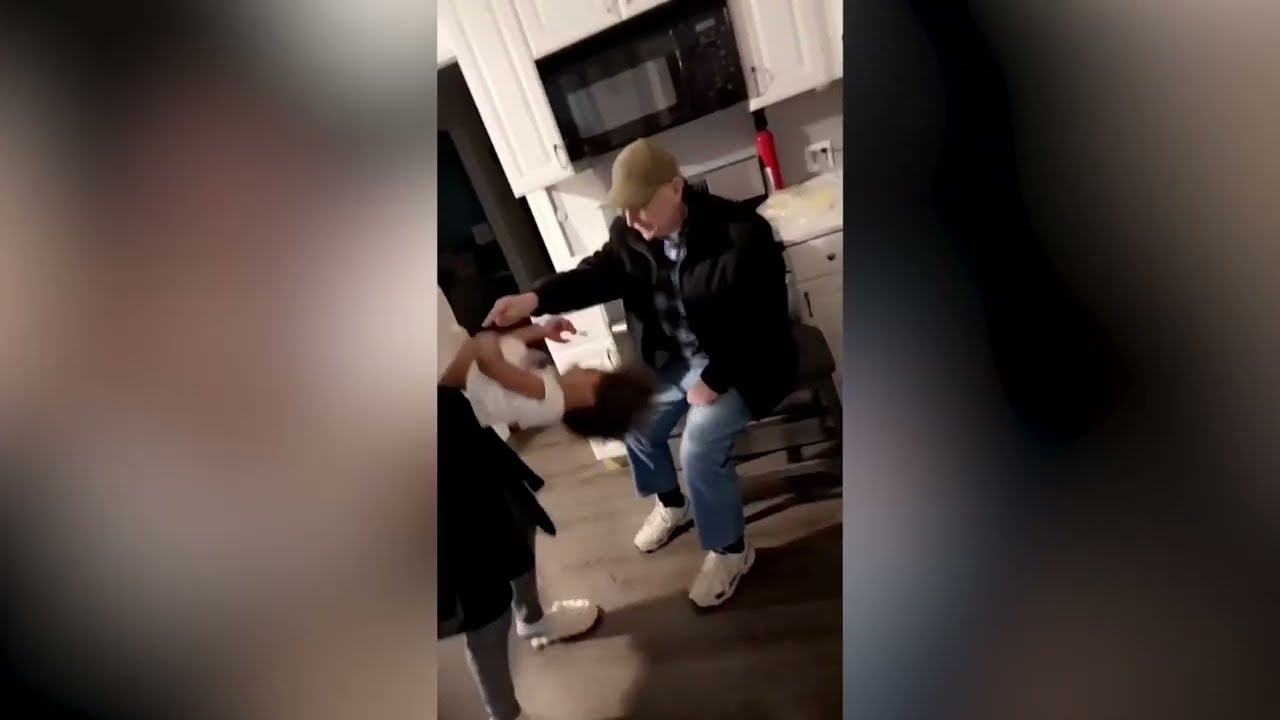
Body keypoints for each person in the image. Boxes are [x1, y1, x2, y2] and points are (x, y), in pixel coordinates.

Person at [484, 137, 797, 608]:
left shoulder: (740, 232)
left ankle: (732, 551)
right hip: (673, 362)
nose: (631, 220)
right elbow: (596, 274)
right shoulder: (631, 233)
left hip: (739, 364)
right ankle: (674, 504)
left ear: (676, 188)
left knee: (699, 446)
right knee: (629, 418)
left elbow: (766, 321)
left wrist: (714, 379)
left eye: (640, 206)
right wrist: (534, 300)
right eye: (625, 209)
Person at [439, 285, 653, 720]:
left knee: (518, 522)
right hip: (446, 414)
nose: (587, 368)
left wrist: (484, 348)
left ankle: (529, 617)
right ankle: (508, 702)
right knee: (485, 590)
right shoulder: (548, 389)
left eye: (594, 375)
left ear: (590, 397)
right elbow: (499, 355)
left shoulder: (547, 394)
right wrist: (535, 332)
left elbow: (496, 365)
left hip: (457, 397)